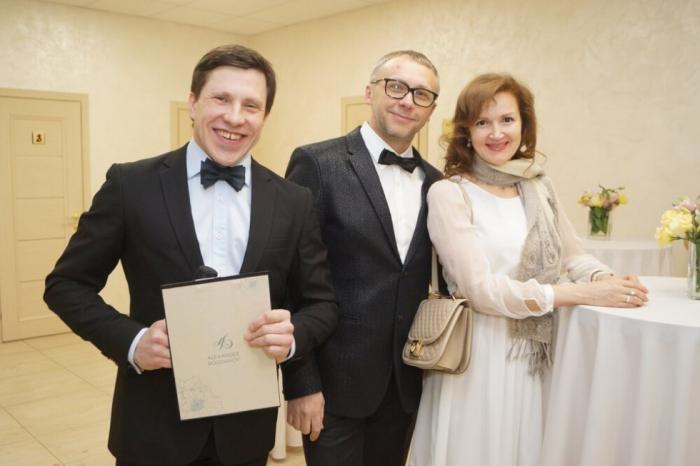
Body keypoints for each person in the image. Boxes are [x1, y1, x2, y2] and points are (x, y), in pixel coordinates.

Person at [43, 44, 338, 466]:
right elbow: (66, 285)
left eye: (251, 105)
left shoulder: (294, 200)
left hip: (245, 432)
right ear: (193, 103)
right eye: (221, 98)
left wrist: (292, 337)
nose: (235, 117)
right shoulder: (131, 185)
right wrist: (132, 342)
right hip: (153, 426)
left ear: (265, 116)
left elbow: (321, 303)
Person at [409, 73, 649, 466]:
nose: (496, 133)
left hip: (536, 356)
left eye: (507, 120)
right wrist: (579, 293)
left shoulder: (538, 186)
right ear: (466, 131)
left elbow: (573, 255)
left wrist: (606, 280)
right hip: (478, 359)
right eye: (482, 122)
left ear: (524, 124)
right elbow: (480, 291)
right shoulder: (449, 192)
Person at [283, 50, 443, 466]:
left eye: (422, 94)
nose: (407, 101)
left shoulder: (438, 184)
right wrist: (301, 382)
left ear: (431, 109)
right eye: (396, 86)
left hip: (406, 383)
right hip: (334, 385)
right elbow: (292, 280)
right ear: (370, 92)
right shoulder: (318, 163)